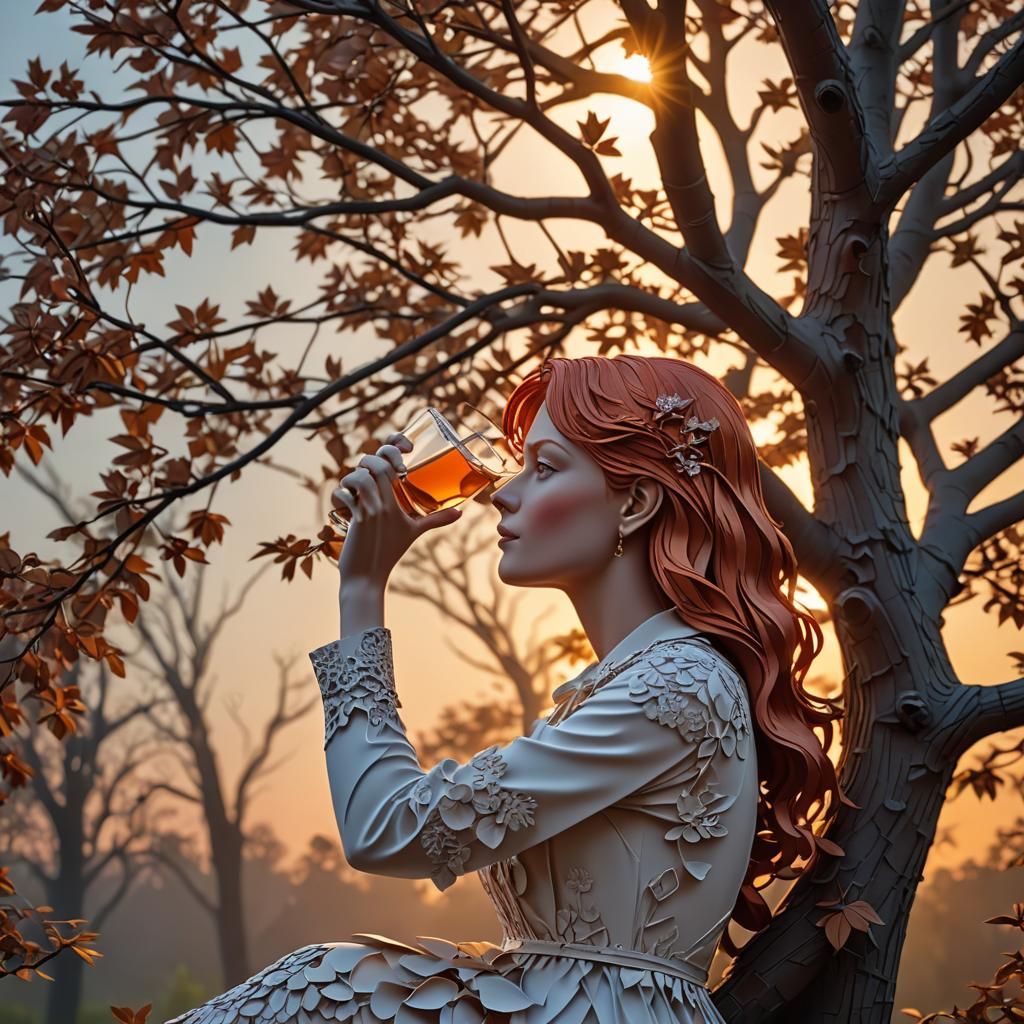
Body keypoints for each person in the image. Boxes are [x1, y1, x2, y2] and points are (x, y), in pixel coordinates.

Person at [166, 355, 839, 1024]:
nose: (501, 492)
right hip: (549, 1007)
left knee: (324, 980)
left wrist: (363, 592)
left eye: (543, 467)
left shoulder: (678, 686)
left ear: (635, 503)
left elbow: (386, 829)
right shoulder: (643, 681)